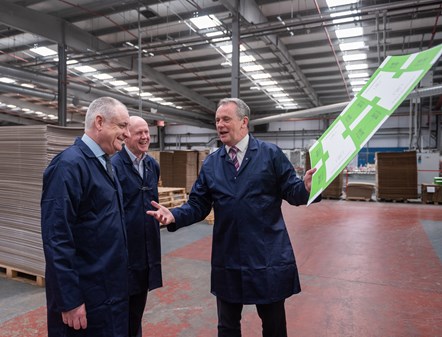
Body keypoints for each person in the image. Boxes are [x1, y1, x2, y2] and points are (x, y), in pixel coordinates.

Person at [147, 97, 320, 337]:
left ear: (244, 122)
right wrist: (174, 215)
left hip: (266, 254)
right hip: (228, 256)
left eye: (226, 119)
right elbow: (198, 204)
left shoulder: (269, 154)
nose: (220, 124)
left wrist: (309, 188)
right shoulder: (211, 163)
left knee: (273, 325)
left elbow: (293, 192)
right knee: (227, 327)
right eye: (217, 120)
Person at [41, 96, 131, 337]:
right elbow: (56, 238)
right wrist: (69, 300)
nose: (127, 134)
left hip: (108, 291)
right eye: (122, 126)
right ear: (99, 122)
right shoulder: (68, 166)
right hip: (84, 297)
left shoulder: (105, 164)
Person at [111, 116, 162, 337]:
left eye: (147, 132)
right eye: (139, 132)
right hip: (122, 253)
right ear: (126, 135)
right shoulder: (113, 166)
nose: (145, 137)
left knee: (136, 313)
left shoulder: (152, 165)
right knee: (120, 315)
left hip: (146, 251)